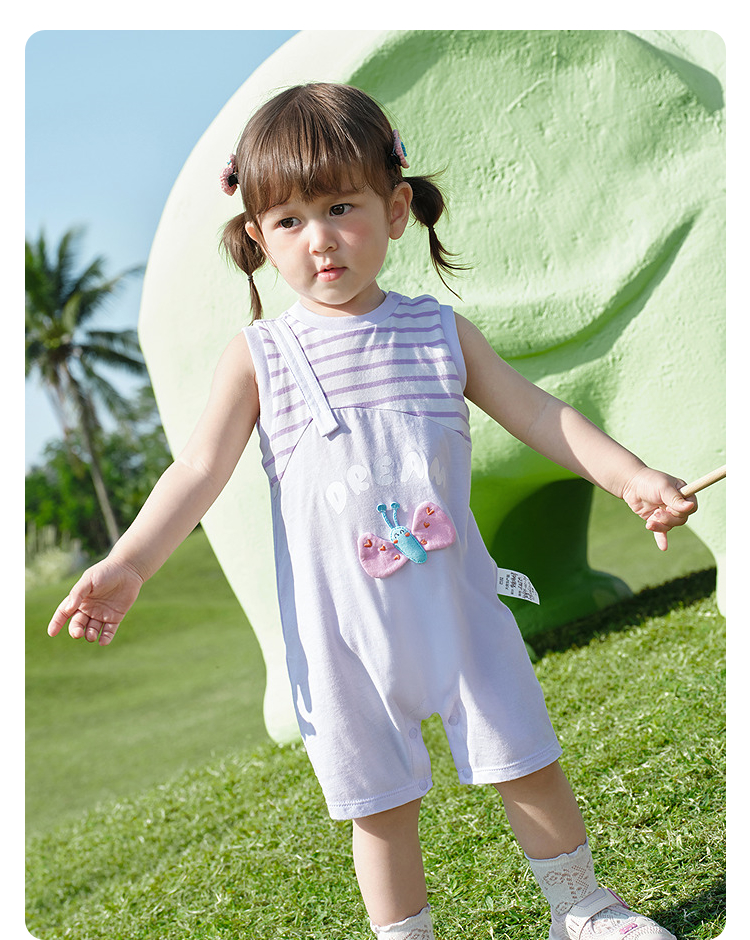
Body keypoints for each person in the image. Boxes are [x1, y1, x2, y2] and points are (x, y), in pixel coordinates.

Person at [48, 83, 697, 940]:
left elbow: (540, 415)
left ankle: (582, 908)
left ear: (395, 211)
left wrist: (630, 476)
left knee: (525, 758)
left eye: (340, 208)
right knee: (379, 806)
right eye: (289, 220)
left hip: (459, 606)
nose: (319, 238)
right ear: (258, 239)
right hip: (341, 634)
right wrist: (129, 563)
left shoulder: (439, 332)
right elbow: (197, 471)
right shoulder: (260, 356)